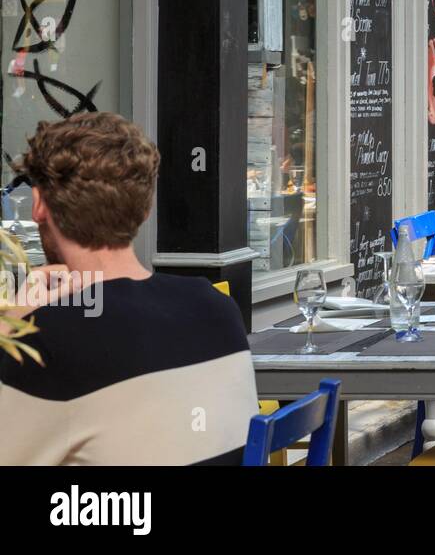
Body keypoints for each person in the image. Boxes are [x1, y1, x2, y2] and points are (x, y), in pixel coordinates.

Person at [0, 113, 258, 465]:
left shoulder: (43, 341)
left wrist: (9, 323)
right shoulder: (217, 308)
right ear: (146, 208)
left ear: (39, 204)